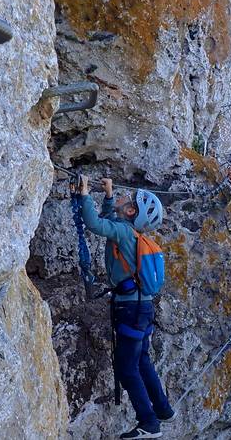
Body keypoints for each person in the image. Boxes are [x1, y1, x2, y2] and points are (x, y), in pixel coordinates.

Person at [78, 175, 175, 439]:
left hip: (131, 311)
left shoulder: (123, 232)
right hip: (141, 309)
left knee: (126, 367)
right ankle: (163, 410)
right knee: (141, 359)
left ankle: (149, 422)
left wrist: (85, 193)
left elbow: (95, 224)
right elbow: (109, 220)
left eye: (127, 200)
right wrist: (108, 195)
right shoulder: (127, 230)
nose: (123, 196)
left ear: (131, 211)